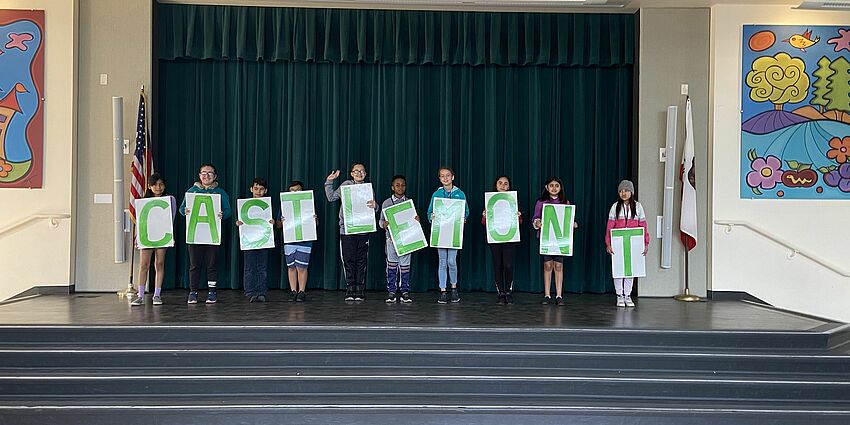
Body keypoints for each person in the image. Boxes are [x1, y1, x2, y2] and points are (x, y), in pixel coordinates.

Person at [179, 163, 232, 304]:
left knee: (212, 264)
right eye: (204, 173)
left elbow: (228, 210)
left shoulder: (220, 192)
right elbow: (181, 208)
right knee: (194, 265)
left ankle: (212, 292)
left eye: (210, 173)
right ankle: (193, 292)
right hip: (195, 235)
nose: (206, 175)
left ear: (215, 176)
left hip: (212, 234)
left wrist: (223, 214)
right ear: (199, 175)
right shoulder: (191, 191)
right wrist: (184, 211)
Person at [325, 163, 378, 301]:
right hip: (347, 230)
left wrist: (375, 206)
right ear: (351, 173)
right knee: (348, 260)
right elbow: (331, 197)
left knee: (361, 260)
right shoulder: (345, 186)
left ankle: (360, 288)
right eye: (356, 171)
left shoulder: (368, 189)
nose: (359, 173)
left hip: (363, 230)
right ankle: (350, 287)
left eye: (362, 171)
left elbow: (374, 208)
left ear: (365, 174)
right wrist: (329, 181)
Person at [130, 173, 176, 306]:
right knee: (144, 265)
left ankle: (157, 294)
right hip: (147, 237)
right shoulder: (143, 202)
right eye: (155, 185)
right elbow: (141, 222)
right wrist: (138, 237)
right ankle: (140, 295)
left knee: (159, 263)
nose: (158, 187)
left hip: (162, 236)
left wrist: (170, 236)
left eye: (161, 184)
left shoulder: (170, 199)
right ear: (150, 186)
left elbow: (170, 220)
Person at [531, 177, 578, 306]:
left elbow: (568, 221)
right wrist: (537, 222)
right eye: (551, 185)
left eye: (557, 185)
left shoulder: (565, 203)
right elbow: (535, 218)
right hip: (546, 239)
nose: (554, 188)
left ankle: (558, 295)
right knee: (547, 266)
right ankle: (547, 294)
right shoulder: (541, 202)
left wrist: (572, 225)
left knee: (558, 265)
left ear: (560, 188)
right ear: (547, 187)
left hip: (560, 241)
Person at [427, 167, 469, 304]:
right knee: (442, 261)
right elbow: (429, 212)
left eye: (448, 175)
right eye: (442, 176)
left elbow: (466, 211)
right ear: (439, 178)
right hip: (440, 233)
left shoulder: (460, 194)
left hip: (453, 233)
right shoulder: (437, 194)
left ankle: (454, 288)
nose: (445, 178)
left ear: (453, 177)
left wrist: (463, 217)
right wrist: (431, 216)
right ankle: (443, 290)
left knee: (452, 261)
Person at [605, 179, 649, 308]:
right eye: (621, 191)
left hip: (633, 242)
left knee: (631, 270)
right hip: (618, 242)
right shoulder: (615, 207)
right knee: (619, 269)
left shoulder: (638, 206)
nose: (624, 193)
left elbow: (643, 226)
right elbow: (609, 226)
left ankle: (627, 295)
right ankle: (619, 295)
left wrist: (645, 242)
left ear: (632, 192)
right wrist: (608, 243)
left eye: (627, 190)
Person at [481, 175, 522, 305]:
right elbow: (484, 223)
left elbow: (519, 222)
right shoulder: (491, 201)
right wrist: (485, 216)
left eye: (506, 183)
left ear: (509, 186)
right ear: (496, 185)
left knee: (508, 265)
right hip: (495, 238)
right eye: (500, 183)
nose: (503, 185)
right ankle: (501, 293)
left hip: (509, 238)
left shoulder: (512, 201)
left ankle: (508, 291)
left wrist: (518, 216)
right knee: (497, 265)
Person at [379, 175, 417, 303]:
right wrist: (383, 224)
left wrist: (416, 220)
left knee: (405, 266)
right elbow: (380, 221)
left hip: (406, 240)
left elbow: (413, 222)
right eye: (397, 185)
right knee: (392, 266)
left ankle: (405, 291)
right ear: (392, 187)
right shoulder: (387, 203)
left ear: (405, 187)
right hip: (391, 240)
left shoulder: (409, 202)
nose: (400, 187)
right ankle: (391, 291)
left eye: (402, 185)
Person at [236, 177, 275, 303]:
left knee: (262, 267)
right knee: (249, 267)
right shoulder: (245, 205)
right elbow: (240, 221)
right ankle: (250, 292)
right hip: (249, 241)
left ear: (266, 190)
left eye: (261, 189)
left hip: (264, 240)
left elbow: (274, 221)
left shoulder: (268, 205)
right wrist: (238, 223)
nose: (258, 191)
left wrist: (272, 222)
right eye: (256, 188)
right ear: (251, 189)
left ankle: (261, 291)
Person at [278, 180, 316, 302]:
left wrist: (314, 220)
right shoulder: (284, 205)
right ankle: (293, 290)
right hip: (289, 240)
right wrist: (281, 221)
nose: (295, 192)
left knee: (302, 267)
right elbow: (278, 225)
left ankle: (302, 291)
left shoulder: (308, 204)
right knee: (291, 267)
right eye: (292, 190)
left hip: (305, 241)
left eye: (298, 190)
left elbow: (316, 224)